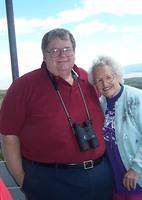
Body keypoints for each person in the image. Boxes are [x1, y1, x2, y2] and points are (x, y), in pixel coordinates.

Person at [0, 29, 114, 200]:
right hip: (51, 182)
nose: (62, 55)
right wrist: (24, 181)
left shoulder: (87, 78)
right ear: (44, 55)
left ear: (74, 52)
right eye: (54, 50)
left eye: (67, 49)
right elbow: (8, 137)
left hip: (100, 176)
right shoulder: (23, 87)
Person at [89, 55, 142, 200]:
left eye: (109, 77)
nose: (105, 83)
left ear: (117, 76)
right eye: (99, 80)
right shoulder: (101, 104)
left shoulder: (137, 98)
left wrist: (137, 168)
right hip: (117, 180)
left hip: (140, 178)